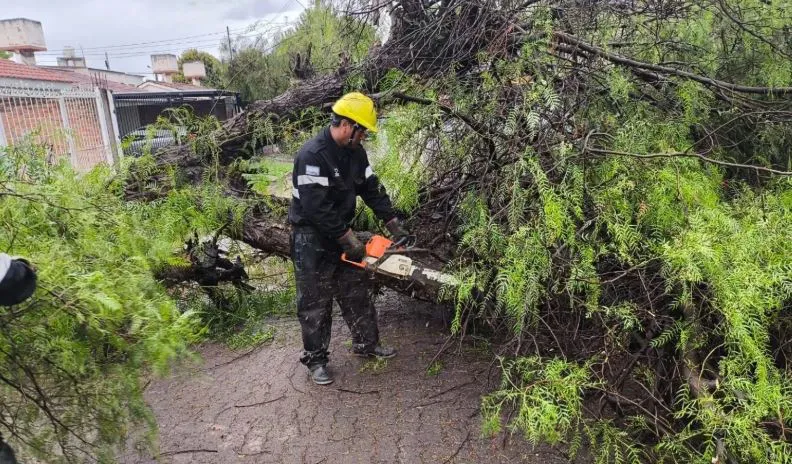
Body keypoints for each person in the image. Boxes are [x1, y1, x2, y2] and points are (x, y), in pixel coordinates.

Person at [288, 92, 412, 385]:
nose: (365, 135)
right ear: (347, 124)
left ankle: (366, 343)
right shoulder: (312, 156)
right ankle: (316, 360)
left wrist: (394, 223)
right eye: (363, 130)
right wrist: (348, 239)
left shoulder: (356, 153)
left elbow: (371, 189)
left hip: (341, 229)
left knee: (356, 289)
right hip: (310, 237)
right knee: (315, 300)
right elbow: (316, 207)